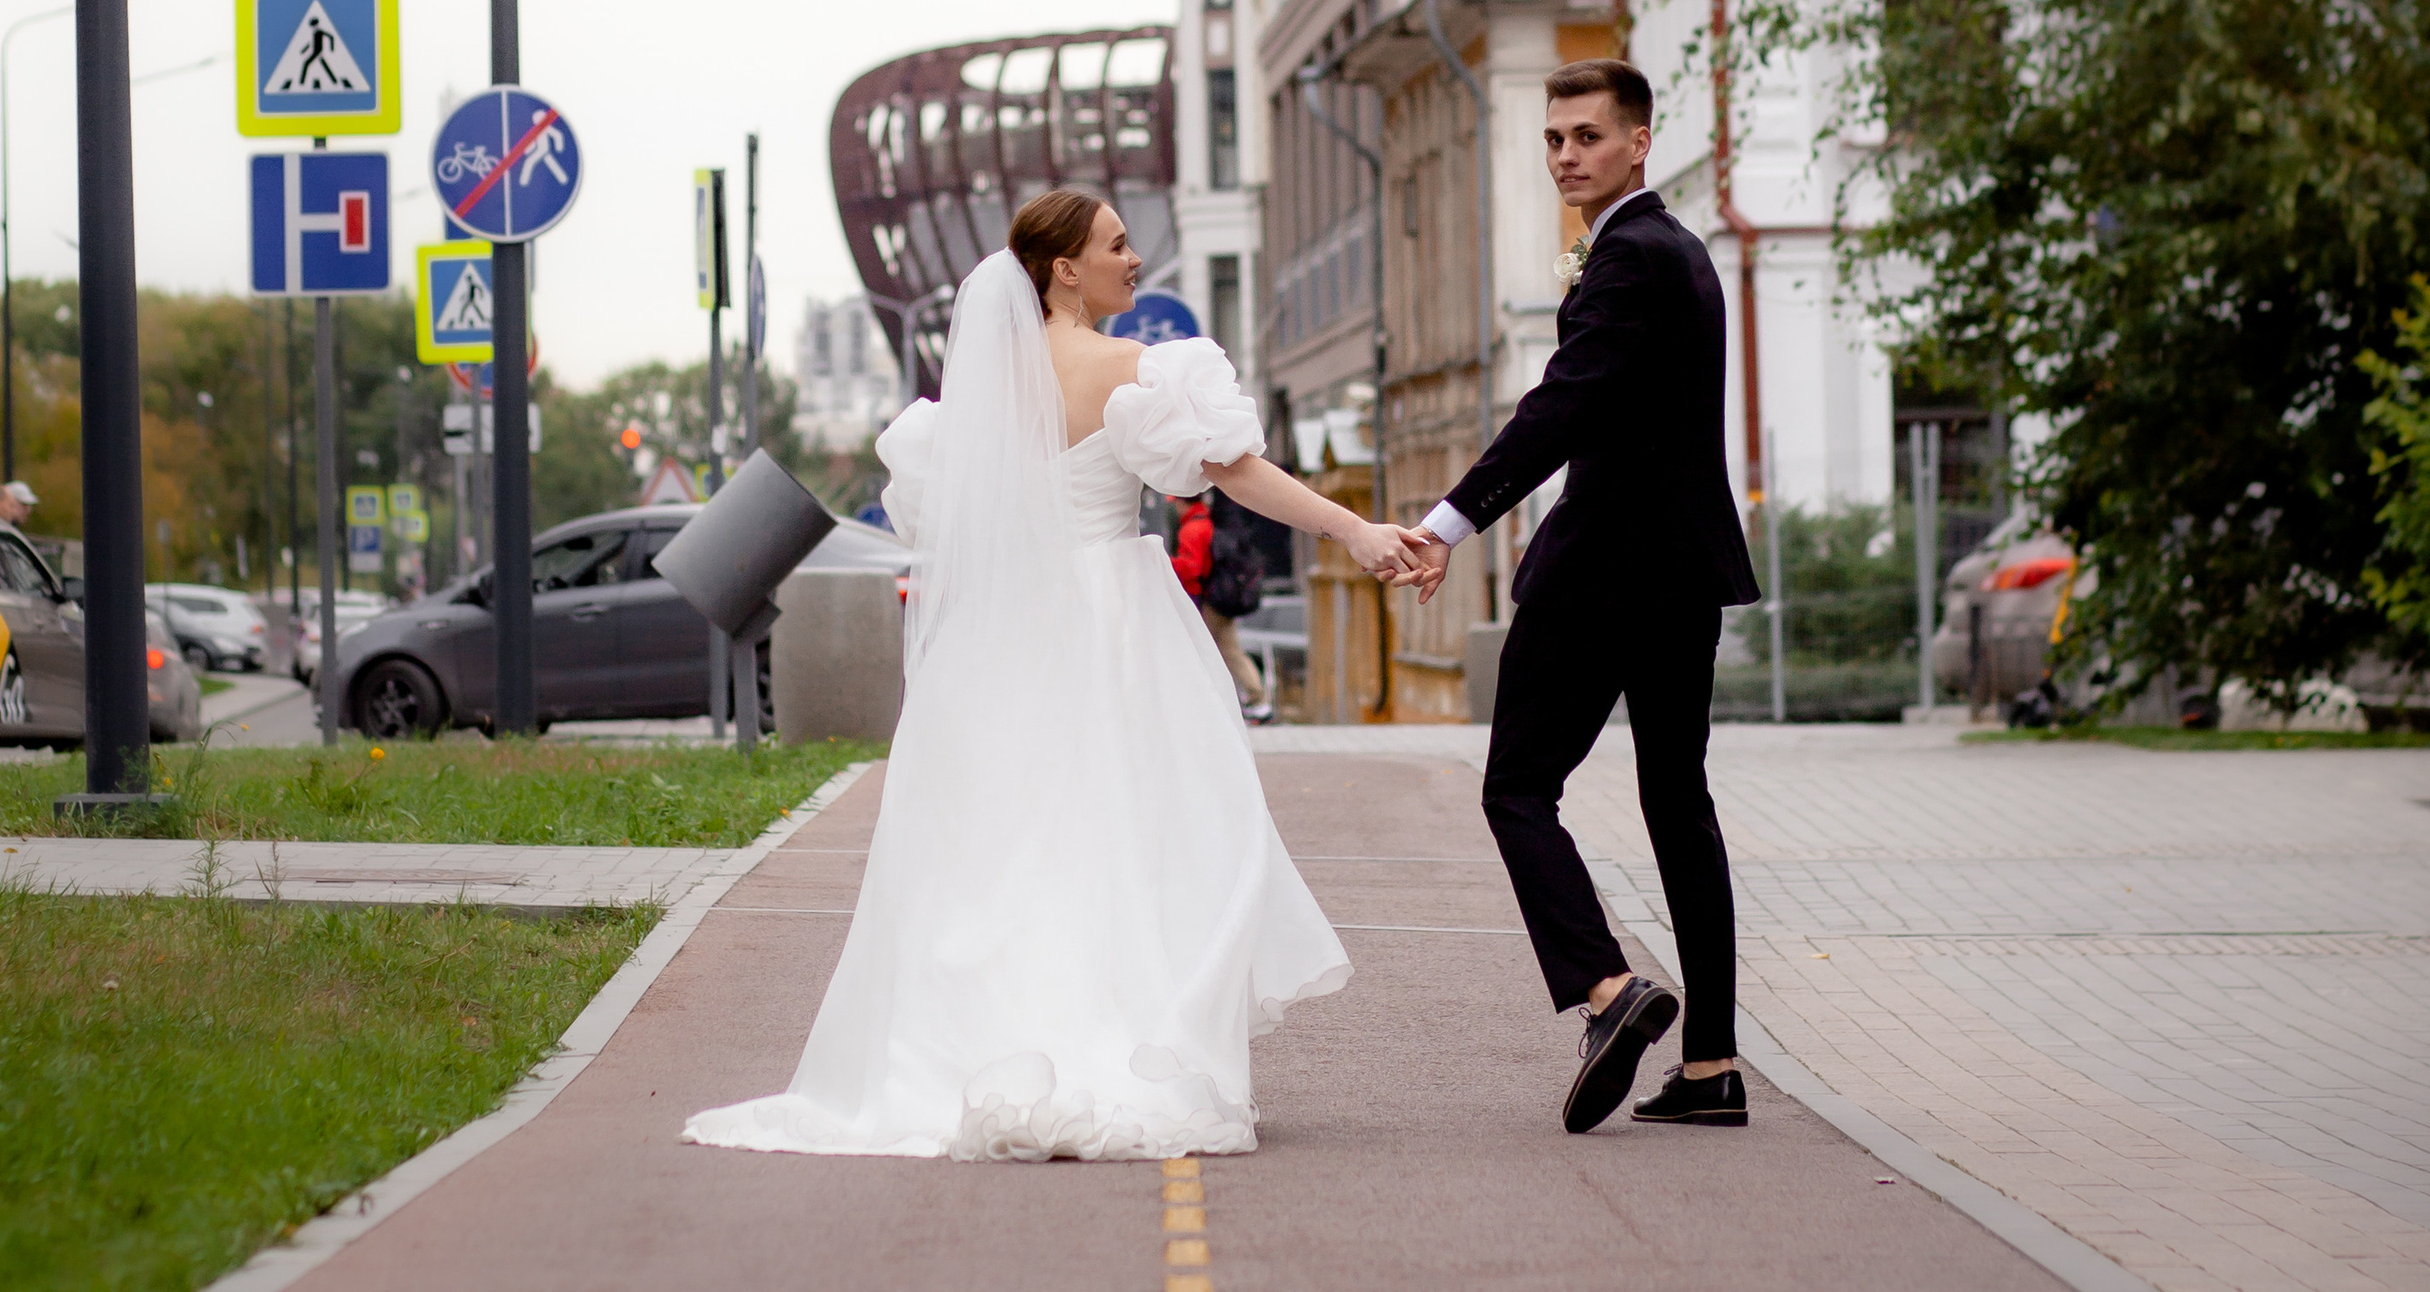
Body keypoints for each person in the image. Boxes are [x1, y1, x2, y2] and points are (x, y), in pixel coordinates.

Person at [686, 192, 1416, 1162]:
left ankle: (997, 1043)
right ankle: (1123, 1036)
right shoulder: (1133, 372)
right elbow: (1235, 472)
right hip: (1112, 615)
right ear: (1063, 269)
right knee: (1138, 829)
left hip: (1008, 631)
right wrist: (1355, 529)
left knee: (1018, 846)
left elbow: (945, 520)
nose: (1133, 261)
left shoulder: (982, 399)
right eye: (1116, 246)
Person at [1396, 59, 1759, 1133]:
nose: (1566, 155)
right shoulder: (1682, 255)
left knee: (1515, 789)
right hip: (1684, 570)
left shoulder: (1628, 261)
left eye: (1587, 137)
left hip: (1604, 568)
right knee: (1676, 803)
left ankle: (1608, 991)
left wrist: (1451, 518)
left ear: (1638, 143)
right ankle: (1711, 1068)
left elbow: (1563, 409)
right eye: (1554, 138)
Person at [1172, 489, 1272, 720]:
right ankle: (1256, 700)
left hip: (1206, 600)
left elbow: (1192, 567)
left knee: (1205, 651)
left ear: (1181, 501)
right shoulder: (1208, 522)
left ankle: (1250, 700)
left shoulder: (1192, 529)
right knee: (1229, 651)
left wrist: (1165, 562)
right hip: (1220, 597)